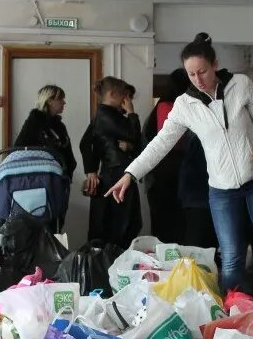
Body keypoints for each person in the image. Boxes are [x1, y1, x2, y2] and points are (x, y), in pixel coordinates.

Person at [106, 33, 253, 297]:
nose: (198, 79)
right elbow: (160, 143)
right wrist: (130, 173)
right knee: (231, 258)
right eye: (191, 74)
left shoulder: (241, 85)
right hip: (221, 190)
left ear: (215, 65)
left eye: (203, 71)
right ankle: (233, 314)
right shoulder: (184, 105)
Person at [81, 76, 143, 247]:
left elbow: (136, 143)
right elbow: (135, 136)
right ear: (113, 94)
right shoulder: (106, 116)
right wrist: (131, 113)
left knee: (123, 223)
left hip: (115, 173)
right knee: (121, 224)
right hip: (115, 173)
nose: (126, 100)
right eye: (124, 95)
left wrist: (130, 146)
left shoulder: (107, 116)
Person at [14, 85, 77, 228]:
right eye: (60, 99)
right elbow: (18, 150)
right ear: (49, 101)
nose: (64, 103)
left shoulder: (59, 126)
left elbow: (67, 152)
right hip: (41, 184)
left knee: (56, 224)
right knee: (44, 224)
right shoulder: (34, 122)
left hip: (60, 181)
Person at [141, 69, 191, 243]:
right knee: (168, 221)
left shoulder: (167, 105)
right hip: (166, 173)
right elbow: (171, 140)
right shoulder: (167, 106)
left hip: (171, 172)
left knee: (176, 220)